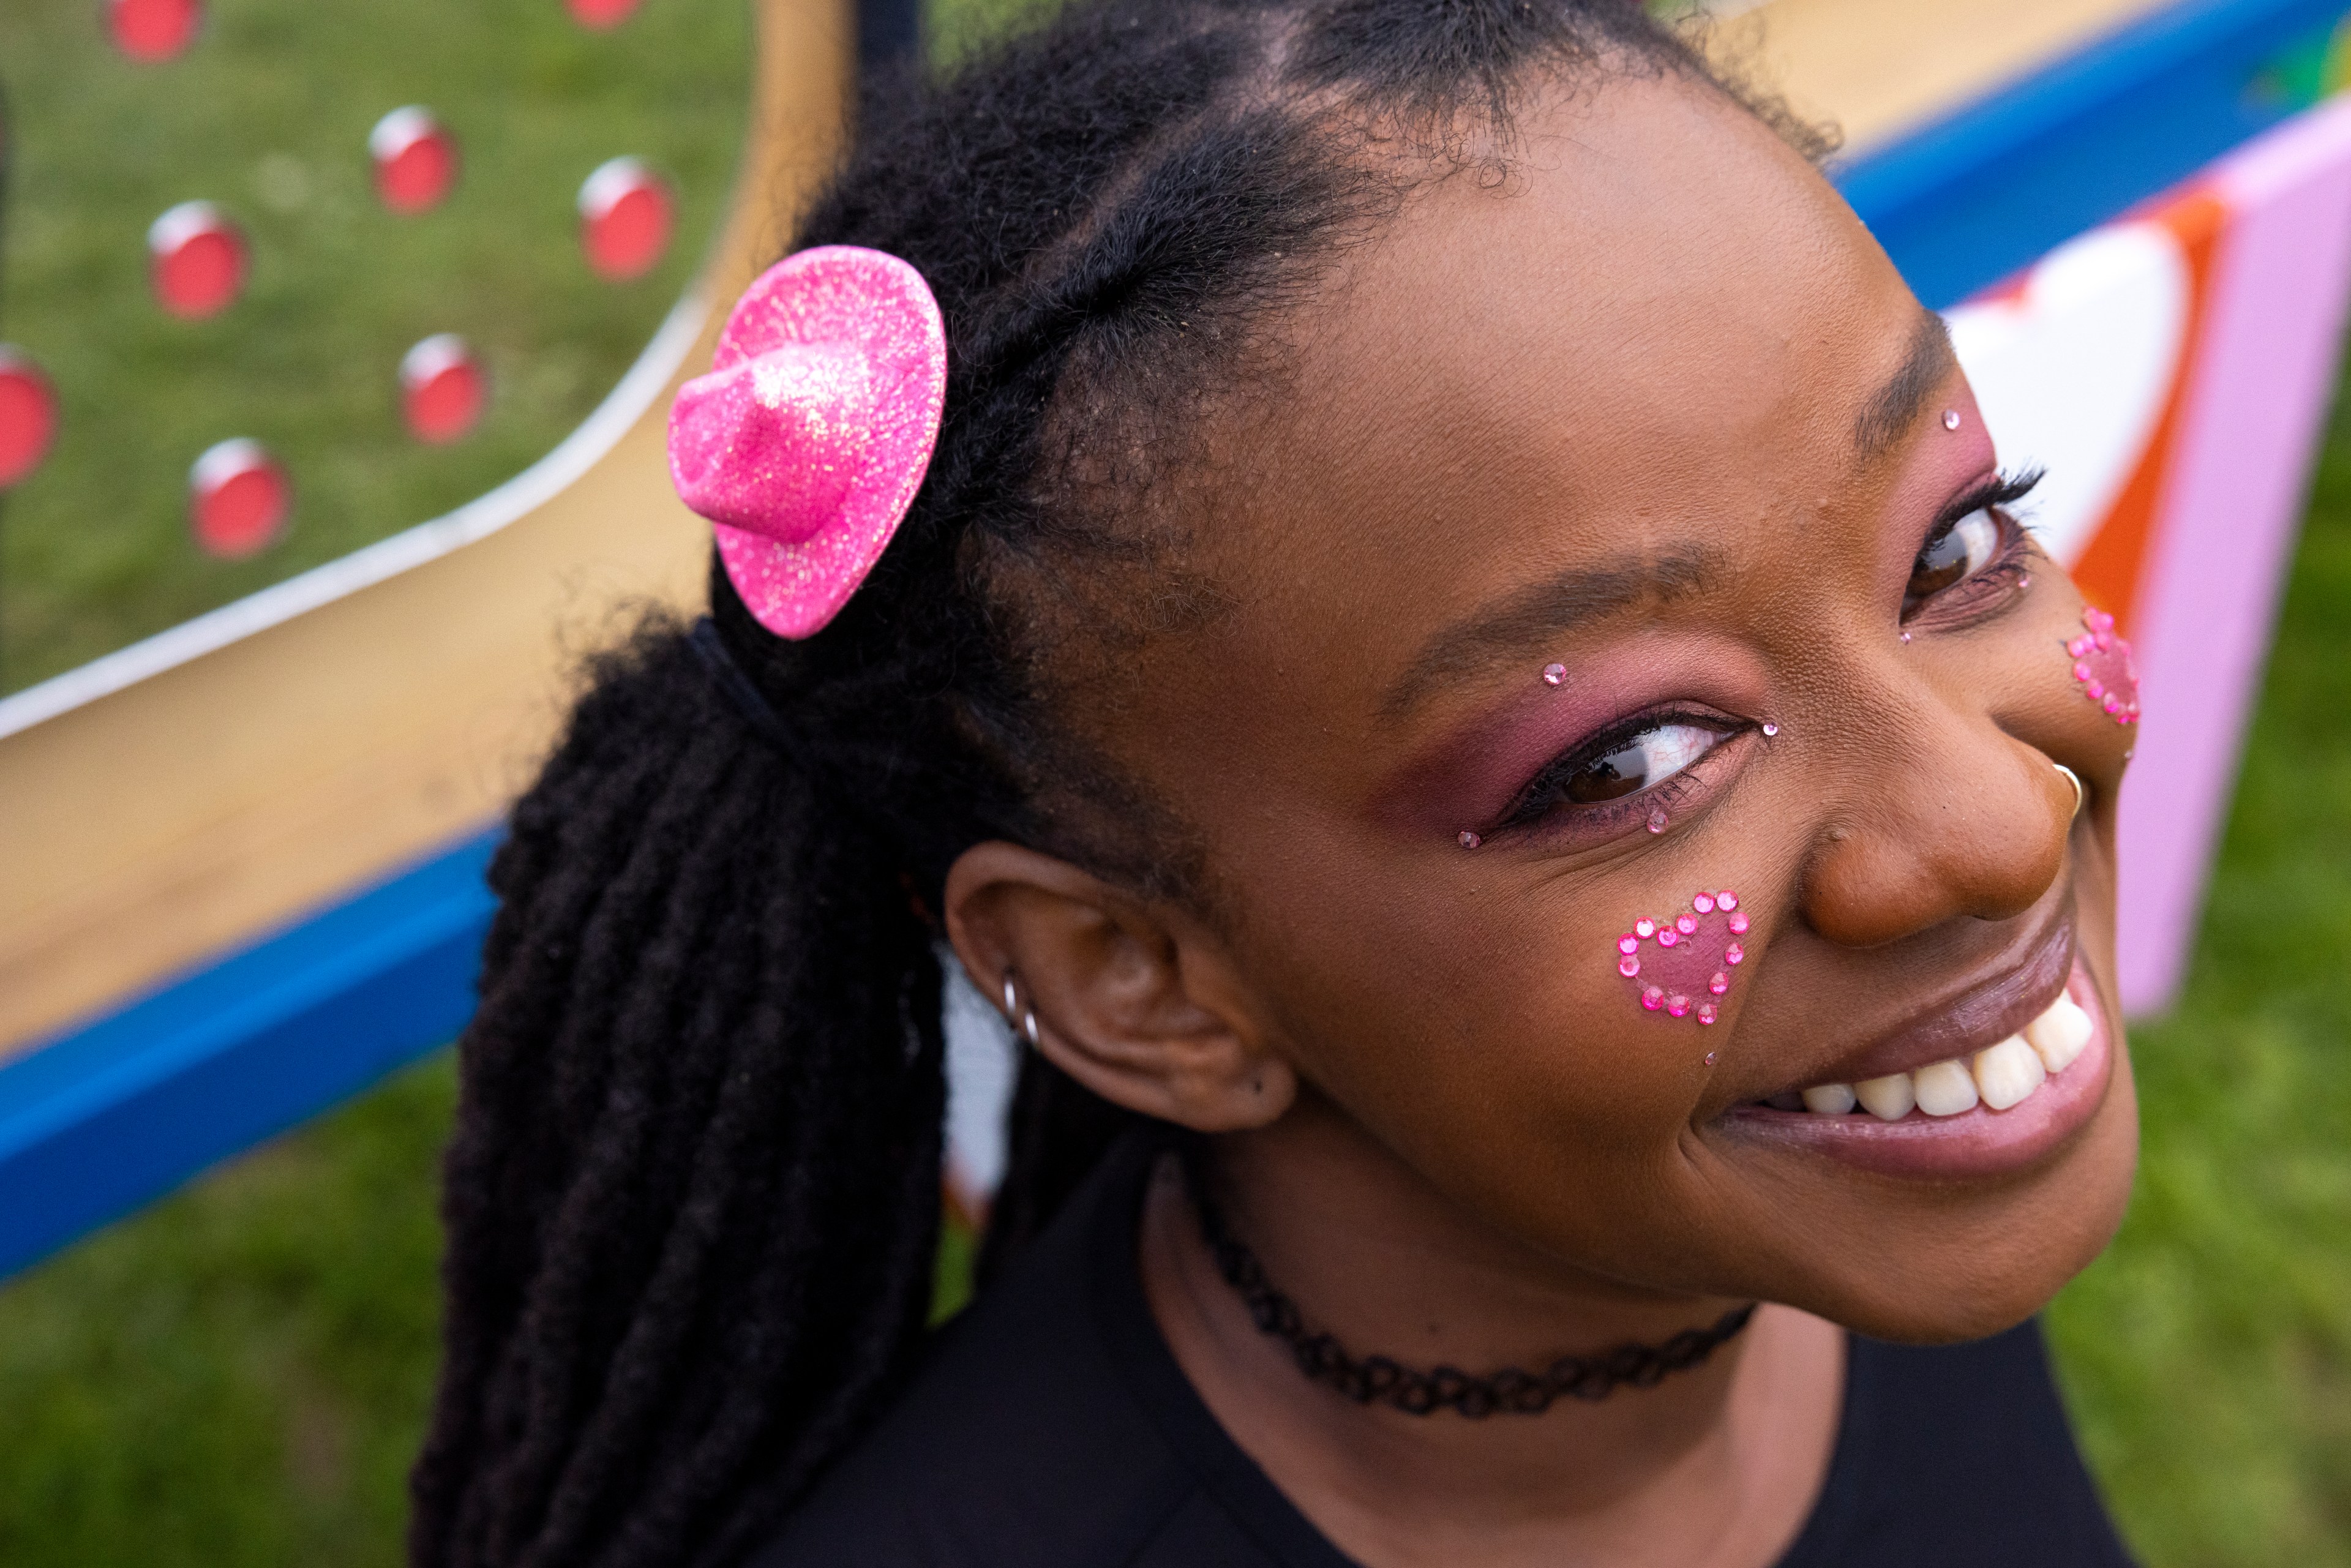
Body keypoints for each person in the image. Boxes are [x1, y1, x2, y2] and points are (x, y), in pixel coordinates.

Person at [407, 3, 2145, 1564]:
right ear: (1139, 981)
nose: (1996, 825)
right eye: (1630, 755)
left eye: (1960, 544)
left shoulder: (1843, 1194)